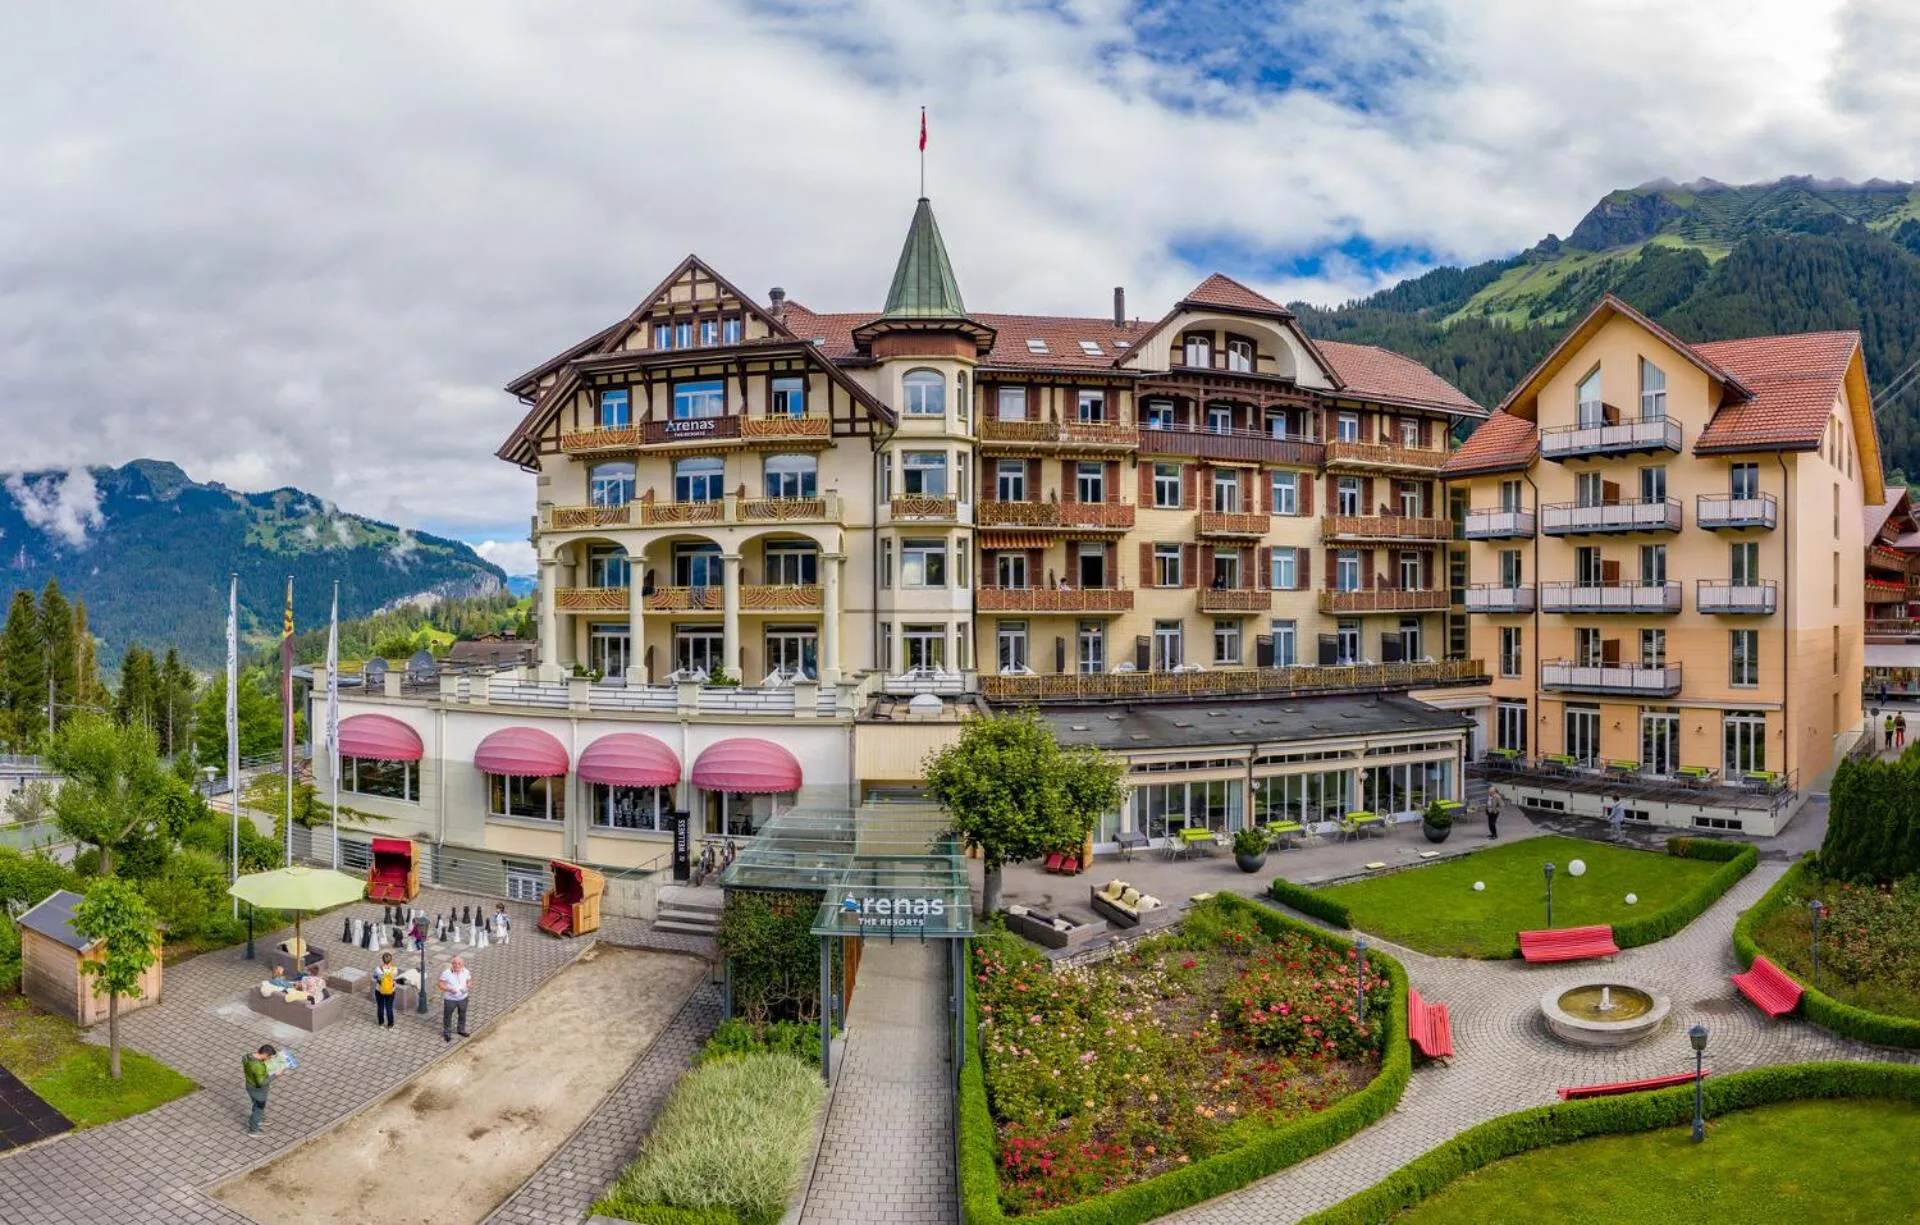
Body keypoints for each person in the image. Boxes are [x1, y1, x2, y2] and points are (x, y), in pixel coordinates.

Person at [243, 1044, 276, 1136]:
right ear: (265, 1054)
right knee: (259, 1108)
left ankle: (259, 1120)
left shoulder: (247, 1057)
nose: (269, 1058)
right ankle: (253, 1130)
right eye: (269, 1056)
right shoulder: (258, 1067)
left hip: (250, 1085)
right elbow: (262, 1083)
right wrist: (275, 1075)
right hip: (258, 1091)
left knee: (256, 1104)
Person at [439, 955, 471, 1043]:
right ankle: (447, 1032)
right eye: (455, 963)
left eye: (459, 964)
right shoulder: (446, 973)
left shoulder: (466, 971)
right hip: (450, 999)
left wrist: (468, 985)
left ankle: (461, 1029)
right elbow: (441, 984)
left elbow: (469, 980)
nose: (457, 966)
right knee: (448, 1015)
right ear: (452, 964)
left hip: (463, 998)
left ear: (463, 965)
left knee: (462, 1014)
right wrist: (448, 989)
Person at [373, 952, 398, 1029]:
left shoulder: (378, 969)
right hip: (391, 990)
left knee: (380, 1007)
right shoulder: (394, 969)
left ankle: (381, 1023)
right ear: (391, 960)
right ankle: (390, 1025)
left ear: (382, 960)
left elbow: (374, 977)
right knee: (389, 1007)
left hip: (379, 990)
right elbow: (394, 978)